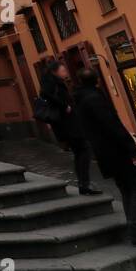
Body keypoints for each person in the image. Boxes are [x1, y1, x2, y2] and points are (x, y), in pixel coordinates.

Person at [73, 69, 136, 249]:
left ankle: (135, 229)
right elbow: (113, 126)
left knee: (127, 189)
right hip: (118, 152)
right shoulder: (95, 99)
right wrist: (132, 150)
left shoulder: (81, 100)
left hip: (105, 154)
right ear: (97, 80)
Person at [39, 60, 101, 196]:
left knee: (81, 152)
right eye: (63, 70)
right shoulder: (53, 84)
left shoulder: (54, 82)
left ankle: (84, 184)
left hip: (67, 124)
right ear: (55, 71)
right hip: (68, 125)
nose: (65, 72)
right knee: (83, 150)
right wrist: (64, 105)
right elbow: (45, 94)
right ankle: (84, 184)